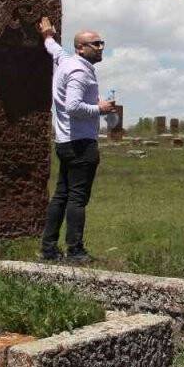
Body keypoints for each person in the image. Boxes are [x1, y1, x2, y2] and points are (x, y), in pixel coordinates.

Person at [38, 16, 116, 263]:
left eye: (102, 43)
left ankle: (48, 249)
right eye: (95, 44)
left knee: (62, 195)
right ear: (81, 48)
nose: (100, 47)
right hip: (81, 143)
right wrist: (100, 109)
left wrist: (47, 36)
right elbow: (73, 107)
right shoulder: (79, 72)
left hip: (65, 141)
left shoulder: (66, 61)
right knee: (77, 198)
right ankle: (75, 251)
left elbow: (55, 50)